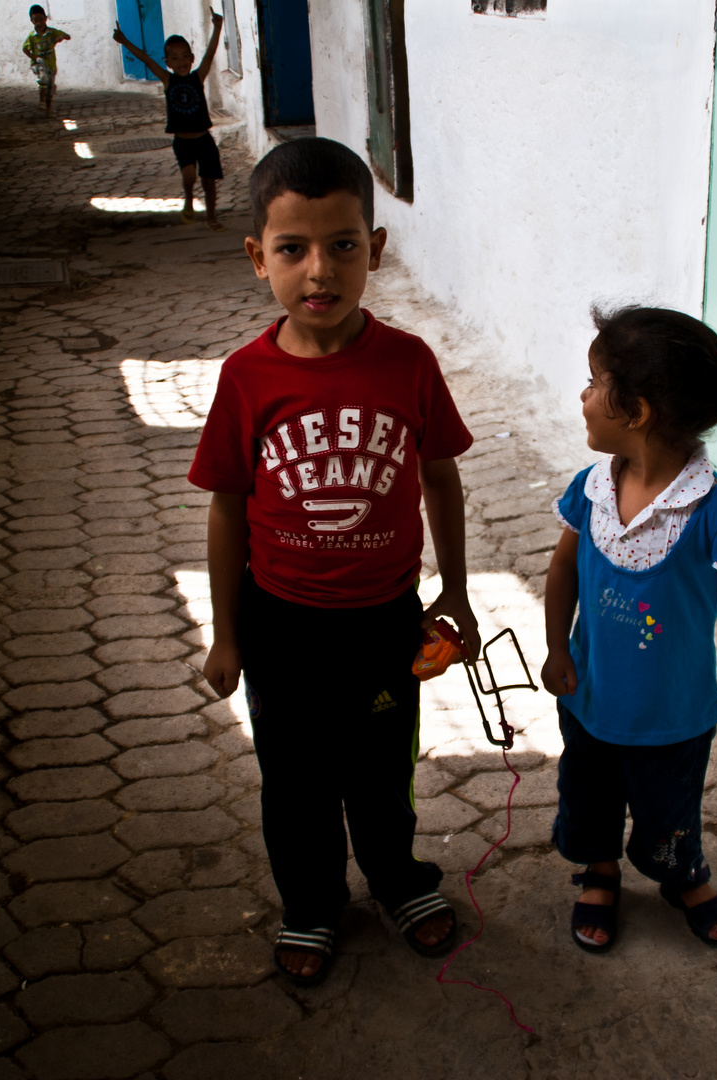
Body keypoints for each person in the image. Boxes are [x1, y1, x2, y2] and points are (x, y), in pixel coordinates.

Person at [188, 137, 481, 987]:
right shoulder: (247, 378)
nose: (319, 271)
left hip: (384, 619)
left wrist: (454, 588)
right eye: (293, 249)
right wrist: (226, 636)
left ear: (375, 251)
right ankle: (312, 903)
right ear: (257, 258)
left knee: (383, 769)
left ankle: (399, 882)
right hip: (280, 624)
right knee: (296, 781)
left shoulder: (408, 364)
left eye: (343, 245)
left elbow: (439, 476)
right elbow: (227, 507)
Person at [540, 306, 717, 953]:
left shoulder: (715, 511)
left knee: (667, 810)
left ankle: (682, 876)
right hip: (589, 699)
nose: (583, 396)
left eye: (594, 383)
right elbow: (561, 570)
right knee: (587, 796)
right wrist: (555, 645)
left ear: (637, 411)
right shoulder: (589, 489)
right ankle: (598, 872)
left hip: (673, 715)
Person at [113, 15, 226, 228]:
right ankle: (189, 199)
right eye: (174, 58)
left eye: (185, 56)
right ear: (167, 63)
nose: (181, 62)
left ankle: (211, 217)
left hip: (204, 140)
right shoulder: (167, 80)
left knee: (209, 181)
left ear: (192, 58)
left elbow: (210, 54)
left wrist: (217, 27)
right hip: (183, 142)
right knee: (190, 175)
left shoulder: (198, 76)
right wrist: (125, 41)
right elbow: (146, 59)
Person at [21, 5, 70, 117]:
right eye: (35, 20)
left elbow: (67, 36)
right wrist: (34, 58)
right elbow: (24, 48)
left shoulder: (52, 33)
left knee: (50, 87)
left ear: (46, 18)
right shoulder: (32, 36)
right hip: (38, 63)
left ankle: (48, 108)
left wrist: (60, 37)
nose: (39, 23)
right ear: (31, 21)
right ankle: (41, 101)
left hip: (51, 64)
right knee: (43, 77)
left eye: (41, 19)